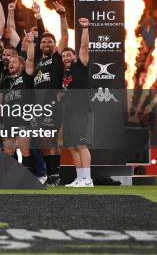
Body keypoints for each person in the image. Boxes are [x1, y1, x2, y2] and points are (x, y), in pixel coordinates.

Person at [32, 1, 68, 186]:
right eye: (44, 41)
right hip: (39, 107)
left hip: (53, 104)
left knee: (52, 140)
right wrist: (37, 17)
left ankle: (55, 175)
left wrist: (62, 16)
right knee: (42, 142)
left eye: (50, 41)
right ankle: (51, 175)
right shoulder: (39, 62)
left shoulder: (56, 58)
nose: (46, 43)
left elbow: (64, 36)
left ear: (55, 46)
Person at [0, 31, 36, 173]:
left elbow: (30, 59)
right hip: (8, 119)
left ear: (22, 64)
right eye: (9, 62)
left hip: (24, 118)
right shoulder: (5, 81)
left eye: (14, 61)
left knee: (25, 150)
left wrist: (31, 43)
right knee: (8, 151)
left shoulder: (27, 75)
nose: (10, 63)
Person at [61, 18, 93, 188]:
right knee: (72, 146)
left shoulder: (80, 65)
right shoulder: (65, 75)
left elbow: (84, 47)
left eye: (68, 55)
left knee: (80, 144)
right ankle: (80, 178)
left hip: (81, 110)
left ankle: (88, 179)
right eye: (64, 55)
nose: (66, 57)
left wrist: (85, 28)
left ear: (74, 56)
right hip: (69, 112)